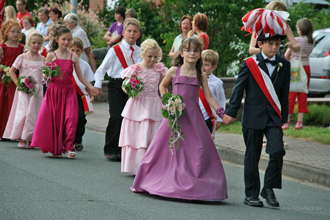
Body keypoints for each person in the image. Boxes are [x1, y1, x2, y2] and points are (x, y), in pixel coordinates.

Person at [131, 38, 228, 201]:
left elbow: (209, 96)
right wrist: (167, 101)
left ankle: (196, 185)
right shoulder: (174, 70)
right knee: (163, 148)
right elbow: (162, 86)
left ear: (199, 55)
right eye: (188, 50)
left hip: (193, 117)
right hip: (174, 116)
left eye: (196, 51)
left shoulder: (200, 74)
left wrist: (221, 112)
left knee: (197, 149)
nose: (192, 53)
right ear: (182, 53)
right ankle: (153, 179)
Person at [223, 8, 290, 208]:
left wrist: (284, 117)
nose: (275, 48)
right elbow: (238, 90)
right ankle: (251, 194)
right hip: (252, 116)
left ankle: (268, 188)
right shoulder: (249, 64)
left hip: (273, 116)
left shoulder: (284, 65)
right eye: (271, 44)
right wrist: (230, 112)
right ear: (259, 44)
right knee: (252, 155)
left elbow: (284, 93)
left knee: (277, 151)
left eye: (278, 44)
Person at [31, 25, 98, 158]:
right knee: (55, 119)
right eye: (64, 39)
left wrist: (91, 88)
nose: (66, 42)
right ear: (57, 39)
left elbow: (80, 76)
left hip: (69, 92)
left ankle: (69, 147)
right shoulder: (51, 56)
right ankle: (56, 148)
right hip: (54, 91)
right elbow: (45, 75)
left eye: (69, 39)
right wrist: (47, 74)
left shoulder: (73, 57)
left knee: (71, 118)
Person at [94, 18, 141, 161]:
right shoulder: (115, 50)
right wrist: (97, 85)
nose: (132, 34)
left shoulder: (140, 51)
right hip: (116, 85)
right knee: (116, 116)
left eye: (135, 32)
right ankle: (110, 148)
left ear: (138, 34)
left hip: (132, 87)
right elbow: (101, 70)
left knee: (129, 119)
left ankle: (124, 149)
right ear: (123, 33)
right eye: (129, 31)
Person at [119, 39, 167, 175]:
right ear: (143, 55)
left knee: (153, 134)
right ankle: (135, 166)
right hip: (138, 104)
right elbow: (124, 85)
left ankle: (151, 166)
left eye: (155, 57)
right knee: (137, 135)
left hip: (154, 104)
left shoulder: (160, 69)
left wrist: (167, 101)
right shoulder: (136, 69)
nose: (153, 60)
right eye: (149, 56)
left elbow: (163, 86)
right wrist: (130, 89)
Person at [3, 31, 45, 147]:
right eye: (34, 43)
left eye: (39, 43)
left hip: (37, 90)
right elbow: (12, 71)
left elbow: (45, 75)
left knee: (33, 114)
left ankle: (31, 138)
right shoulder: (22, 57)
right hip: (24, 90)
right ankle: (21, 137)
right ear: (28, 43)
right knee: (23, 113)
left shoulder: (43, 59)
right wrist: (18, 83)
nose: (36, 45)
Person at [283, 18, 314, 130]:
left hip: (295, 68)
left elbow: (287, 56)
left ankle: (286, 122)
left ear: (300, 29)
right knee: (303, 93)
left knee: (291, 94)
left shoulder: (296, 40)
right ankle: (299, 122)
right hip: (306, 68)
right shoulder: (311, 41)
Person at [69, 37, 95, 151]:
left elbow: (89, 81)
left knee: (81, 118)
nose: (75, 53)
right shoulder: (65, 62)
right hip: (67, 94)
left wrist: (92, 93)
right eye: (72, 50)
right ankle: (68, 139)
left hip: (80, 95)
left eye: (78, 50)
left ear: (82, 51)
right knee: (69, 118)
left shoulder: (84, 65)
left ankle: (78, 140)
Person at [0, 20, 24, 139]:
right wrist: (4, 69)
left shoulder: (22, 48)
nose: (15, 34)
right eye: (13, 31)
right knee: (2, 104)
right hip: (3, 81)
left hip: (16, 80)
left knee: (15, 106)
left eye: (18, 32)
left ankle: (13, 132)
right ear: (6, 32)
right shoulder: (2, 48)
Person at [89, 6, 126, 72]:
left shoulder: (123, 25)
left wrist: (111, 41)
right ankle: (95, 73)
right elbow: (105, 36)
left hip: (117, 51)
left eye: (117, 14)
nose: (115, 15)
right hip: (109, 49)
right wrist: (112, 40)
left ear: (122, 15)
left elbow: (116, 39)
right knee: (92, 53)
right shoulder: (114, 24)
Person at [199, 49, 226, 134]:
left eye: (206, 65)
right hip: (194, 115)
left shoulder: (217, 82)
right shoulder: (193, 77)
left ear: (214, 67)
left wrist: (220, 119)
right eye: (201, 64)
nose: (203, 67)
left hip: (209, 117)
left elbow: (221, 100)